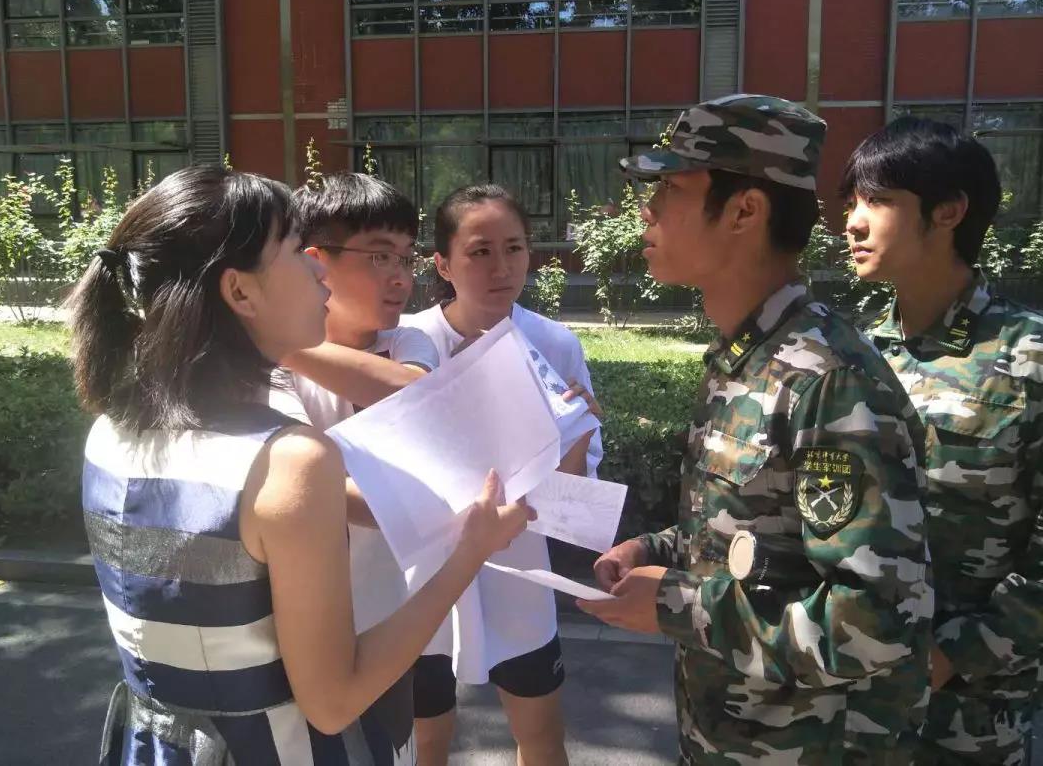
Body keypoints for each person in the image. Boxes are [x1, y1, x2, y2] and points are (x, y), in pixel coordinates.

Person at [69, 165, 531, 764]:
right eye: (293, 249)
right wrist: (471, 550)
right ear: (241, 293)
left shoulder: (110, 429)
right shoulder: (288, 461)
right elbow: (333, 704)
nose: (317, 270)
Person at [579, 95, 933, 764]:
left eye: (671, 189)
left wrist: (677, 605)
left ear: (744, 211)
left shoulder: (826, 379)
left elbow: (878, 621)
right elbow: (762, 532)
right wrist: (656, 548)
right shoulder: (746, 357)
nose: (647, 210)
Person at [842, 116, 1043, 765]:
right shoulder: (856, 354)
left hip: (970, 714)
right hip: (852, 698)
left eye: (878, 200)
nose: (853, 222)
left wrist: (955, 652)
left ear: (949, 211)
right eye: (852, 201)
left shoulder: (1027, 358)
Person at [400, 183, 602, 766]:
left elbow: (566, 499)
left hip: (520, 574)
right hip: (426, 577)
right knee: (425, 742)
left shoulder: (554, 343)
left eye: (514, 248)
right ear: (443, 264)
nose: (502, 267)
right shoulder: (411, 343)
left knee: (540, 739)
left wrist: (579, 430)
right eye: (480, 251)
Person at [269, 171, 441, 636]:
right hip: (307, 616)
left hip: (397, 609)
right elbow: (292, 485)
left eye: (406, 258)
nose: (401, 277)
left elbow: (415, 395)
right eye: (380, 256)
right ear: (315, 262)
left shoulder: (407, 342)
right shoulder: (273, 373)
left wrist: (272, 340)